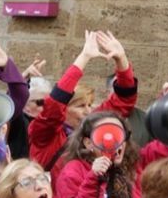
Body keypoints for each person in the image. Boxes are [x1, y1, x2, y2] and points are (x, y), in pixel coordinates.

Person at [30, 30, 135, 182]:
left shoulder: (92, 126)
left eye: (90, 104)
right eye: (80, 106)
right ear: (65, 109)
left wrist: (121, 60)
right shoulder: (45, 134)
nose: (88, 111)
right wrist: (84, 57)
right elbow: (55, 105)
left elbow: (123, 101)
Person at [54, 112, 140, 198]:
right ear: (88, 143)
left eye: (120, 134)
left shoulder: (131, 171)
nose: (114, 141)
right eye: (106, 134)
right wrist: (93, 178)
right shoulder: (73, 171)